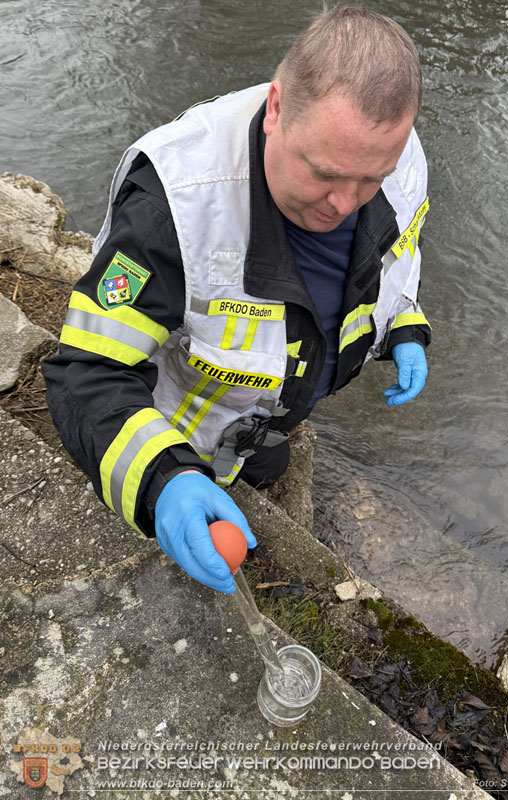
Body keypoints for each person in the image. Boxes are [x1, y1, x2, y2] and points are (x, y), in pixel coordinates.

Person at [42, 5, 431, 595]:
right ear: (276, 109)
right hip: (179, 434)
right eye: (324, 173)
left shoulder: (393, 155)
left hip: (264, 421)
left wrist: (403, 324)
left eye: (371, 179)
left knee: (268, 464)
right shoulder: (172, 208)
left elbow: (393, 255)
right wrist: (160, 479)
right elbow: (86, 372)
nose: (345, 203)